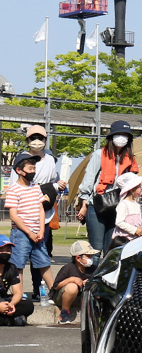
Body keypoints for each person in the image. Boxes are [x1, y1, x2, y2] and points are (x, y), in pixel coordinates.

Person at [77, 120, 139, 254]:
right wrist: (84, 204)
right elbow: (88, 179)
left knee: (112, 247)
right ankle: (93, 274)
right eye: (119, 134)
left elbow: (133, 183)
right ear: (111, 136)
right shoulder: (99, 154)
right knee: (95, 248)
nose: (122, 138)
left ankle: (105, 274)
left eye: (125, 135)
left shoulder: (131, 158)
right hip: (97, 205)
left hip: (118, 206)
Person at [24, 124, 67, 298]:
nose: (36, 141)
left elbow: (55, 180)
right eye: (33, 138)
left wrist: (59, 185)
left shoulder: (49, 159)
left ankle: (40, 289)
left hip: (46, 212)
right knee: (23, 253)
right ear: (27, 140)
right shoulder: (22, 159)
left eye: (40, 138)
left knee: (41, 251)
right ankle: (20, 289)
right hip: (27, 213)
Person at [5, 153, 54, 296]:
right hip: (20, 233)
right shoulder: (13, 190)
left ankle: (54, 291)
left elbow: (40, 209)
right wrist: (29, 232)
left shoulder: (35, 187)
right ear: (19, 171)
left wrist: (41, 230)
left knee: (44, 262)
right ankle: (18, 293)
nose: (33, 171)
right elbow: (14, 215)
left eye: (34, 168)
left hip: (37, 231)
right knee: (18, 264)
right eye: (30, 168)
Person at [49, 240, 99, 324]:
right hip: (63, 298)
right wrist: (71, 279)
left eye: (92, 256)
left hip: (82, 298)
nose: (91, 259)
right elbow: (56, 286)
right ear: (78, 258)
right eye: (88, 256)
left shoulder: (93, 269)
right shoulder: (68, 268)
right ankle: (64, 313)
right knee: (72, 287)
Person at [0, 235, 34, 327]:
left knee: (28, 305)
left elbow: (18, 292)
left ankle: (7, 319)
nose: (5, 253)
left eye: (8, 250)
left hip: (4, 300)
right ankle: (10, 321)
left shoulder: (11, 268)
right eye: (2, 250)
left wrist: (11, 304)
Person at [109, 173, 142, 251]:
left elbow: (138, 221)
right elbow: (119, 222)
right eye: (139, 186)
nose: (141, 189)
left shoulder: (137, 205)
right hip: (123, 241)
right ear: (132, 189)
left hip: (135, 240)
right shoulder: (123, 204)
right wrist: (135, 230)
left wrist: (141, 229)